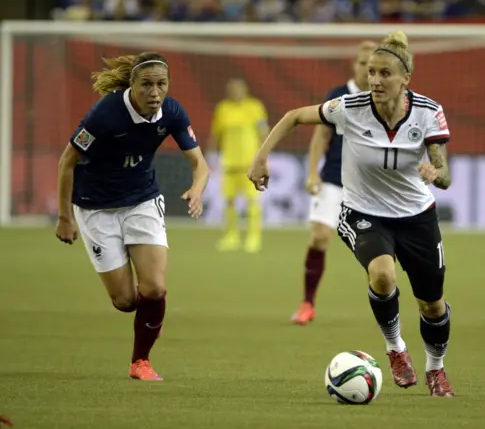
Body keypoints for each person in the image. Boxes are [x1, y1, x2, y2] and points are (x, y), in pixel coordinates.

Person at [248, 31, 455, 397]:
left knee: (432, 304)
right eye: (371, 72)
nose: (375, 80)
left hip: (416, 216)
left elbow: (445, 175)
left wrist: (434, 173)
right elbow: (295, 116)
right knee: (381, 273)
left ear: (405, 77)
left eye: (385, 73)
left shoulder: (428, 112)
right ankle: (395, 349)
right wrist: (261, 157)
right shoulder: (349, 106)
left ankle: (436, 369)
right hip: (363, 211)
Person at [55, 52, 209, 381]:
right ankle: (150, 318)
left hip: (142, 200)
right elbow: (66, 162)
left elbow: (200, 164)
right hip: (95, 206)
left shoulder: (172, 111)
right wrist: (64, 216)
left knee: (154, 288)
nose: (155, 92)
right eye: (147, 85)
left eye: (161, 84)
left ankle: (141, 361)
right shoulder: (105, 114)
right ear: (133, 86)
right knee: (125, 301)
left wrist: (197, 189)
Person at [291, 40, 376, 326]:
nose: (367, 69)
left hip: (369, 185)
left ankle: (383, 309)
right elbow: (321, 136)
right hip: (334, 177)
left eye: (373, 65)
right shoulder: (339, 96)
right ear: (354, 64)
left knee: (376, 252)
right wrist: (312, 172)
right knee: (319, 237)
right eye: (363, 63)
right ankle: (307, 303)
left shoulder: (384, 97)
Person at [207, 78, 270, 253]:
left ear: (245, 90)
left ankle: (253, 238)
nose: (236, 93)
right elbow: (216, 134)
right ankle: (231, 236)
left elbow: (264, 133)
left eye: (239, 89)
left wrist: (263, 157)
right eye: (233, 90)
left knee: (253, 201)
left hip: (250, 165)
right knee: (229, 201)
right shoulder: (223, 109)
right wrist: (211, 155)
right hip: (229, 164)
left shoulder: (255, 107)